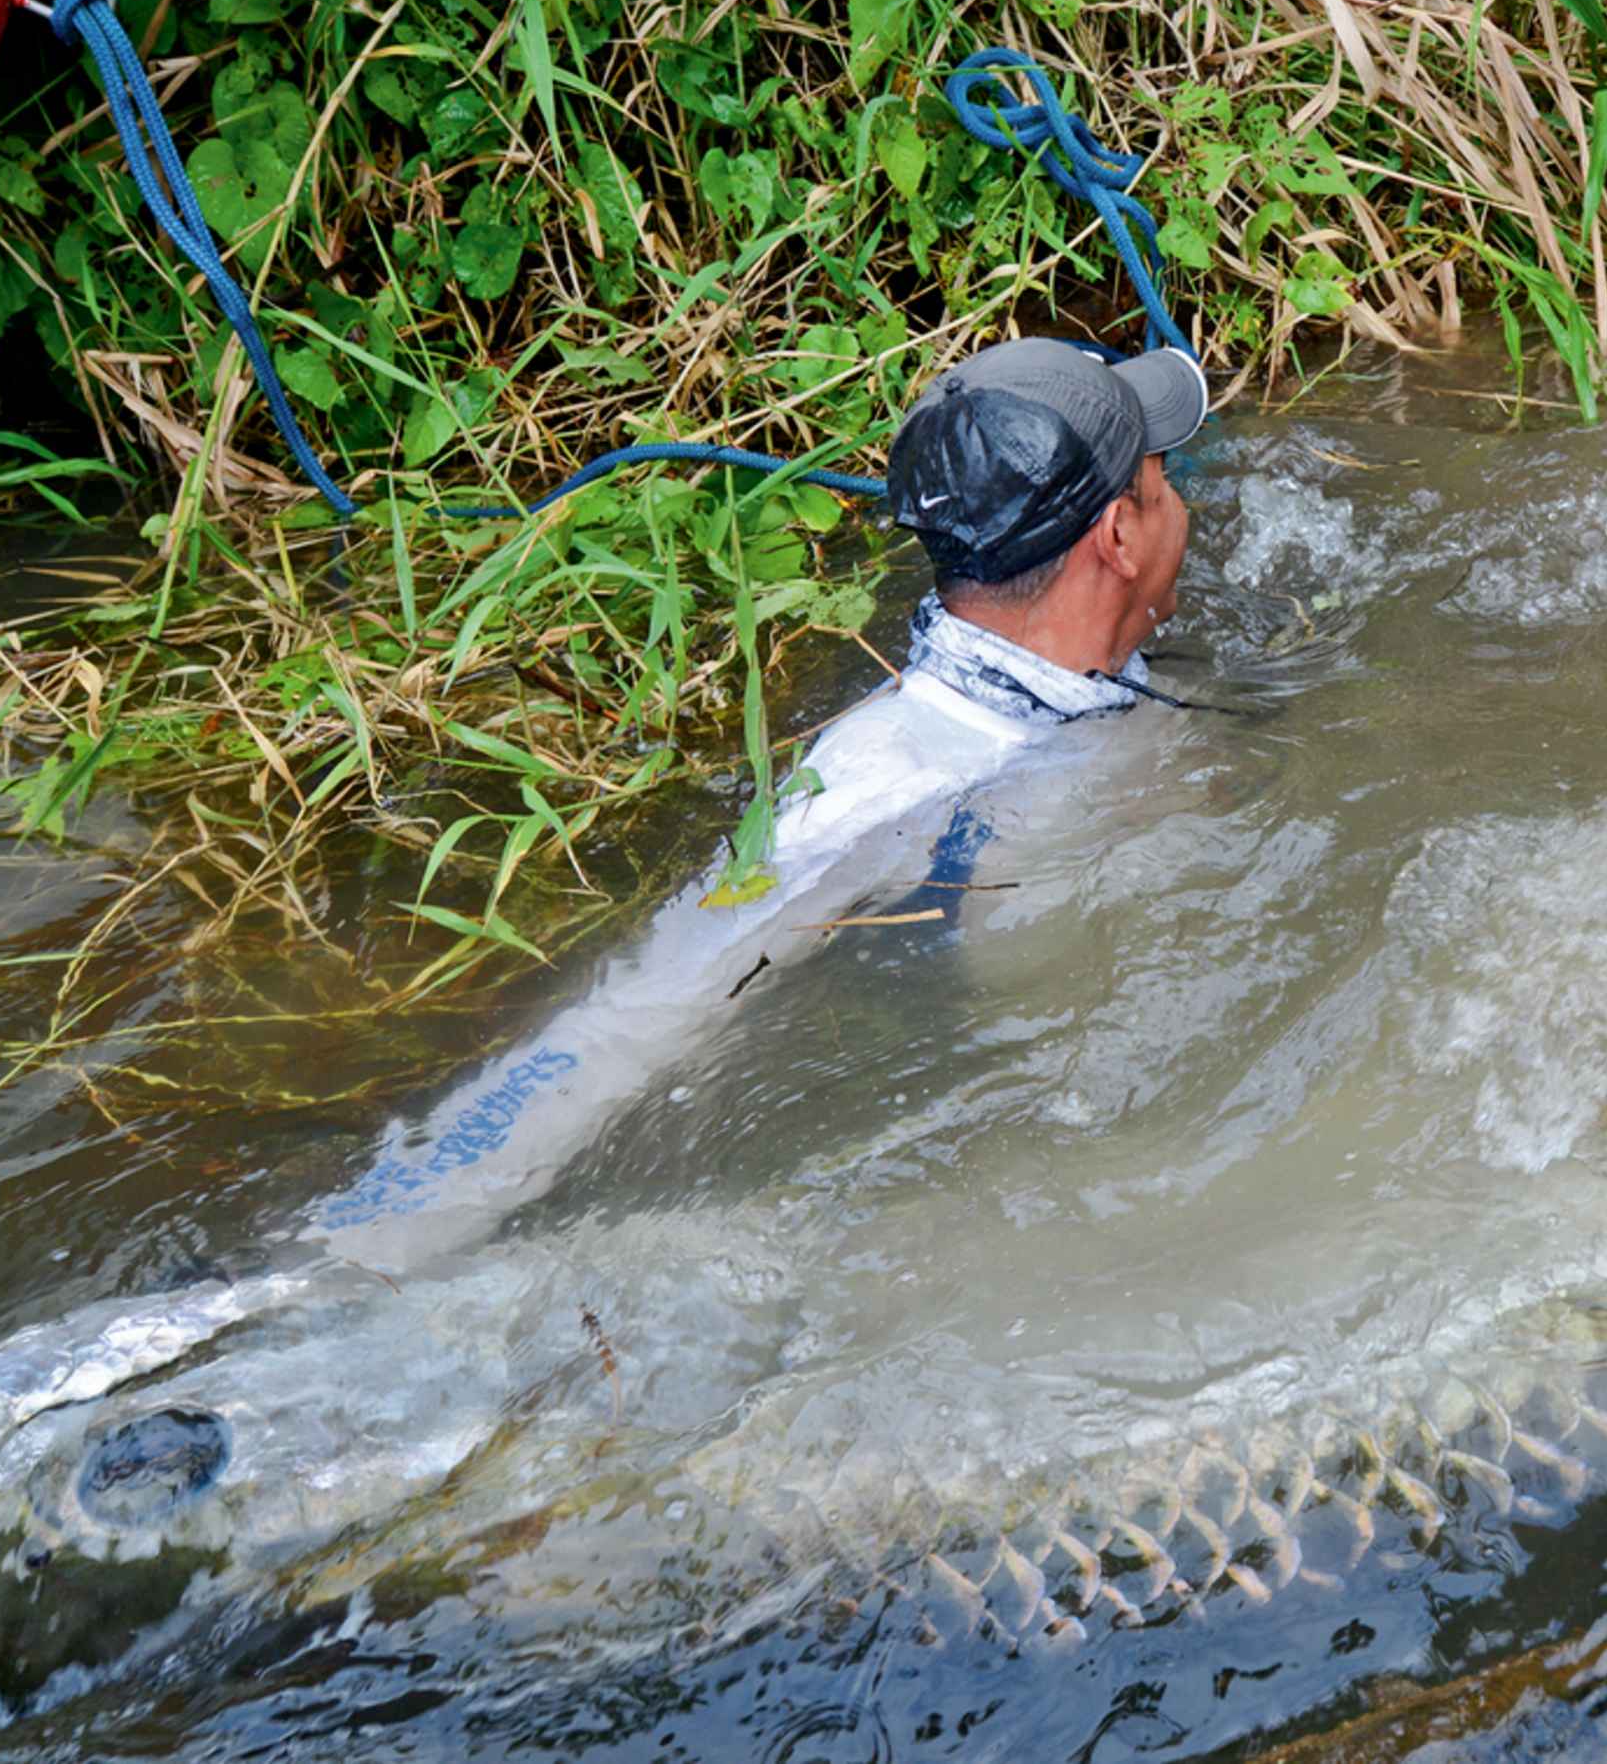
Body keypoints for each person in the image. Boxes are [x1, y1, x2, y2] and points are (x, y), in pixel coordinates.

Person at [303, 336, 1214, 1269]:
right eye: (1162, 475)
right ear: (1117, 535)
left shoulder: (1086, 682)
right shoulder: (885, 783)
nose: (1184, 501)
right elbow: (640, 1010)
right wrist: (364, 1247)